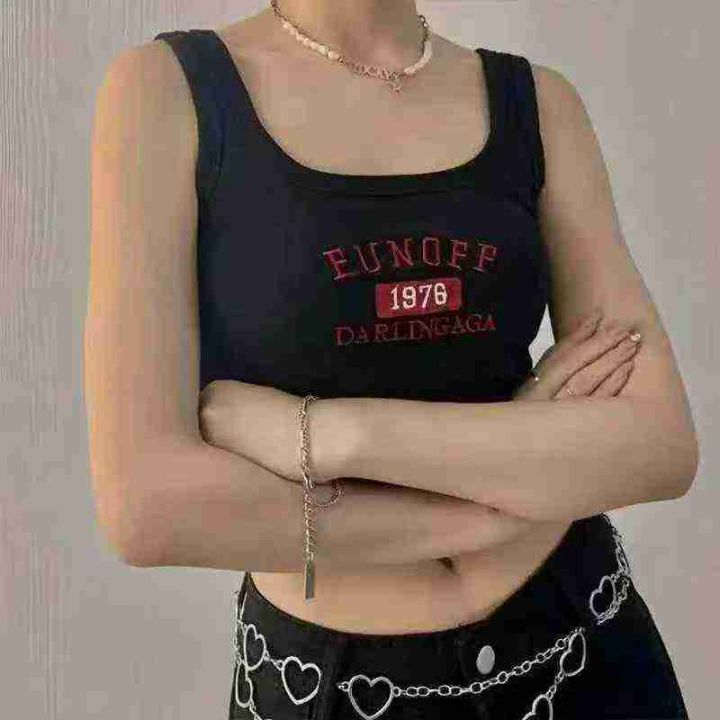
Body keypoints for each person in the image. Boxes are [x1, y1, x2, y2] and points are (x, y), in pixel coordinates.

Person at [86, 1, 698, 718]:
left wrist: (334, 435)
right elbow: (149, 508)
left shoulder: (538, 103)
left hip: (586, 648)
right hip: (328, 688)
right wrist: (498, 510)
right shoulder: (168, 92)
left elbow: (659, 443)